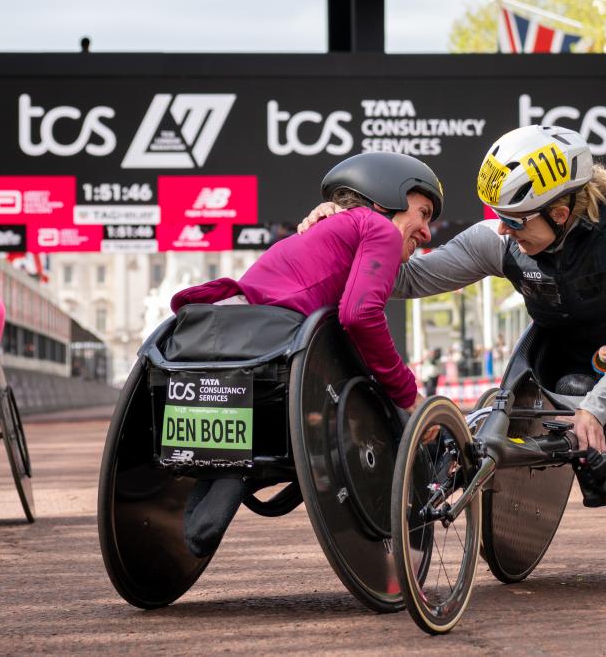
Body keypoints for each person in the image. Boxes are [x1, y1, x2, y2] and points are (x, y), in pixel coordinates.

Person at [301, 124, 606, 458]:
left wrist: (596, 407)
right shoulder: (498, 242)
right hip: (561, 386)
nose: (502, 229)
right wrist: (340, 232)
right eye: (497, 215)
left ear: (559, 215)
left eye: (513, 220)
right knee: (567, 388)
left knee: (582, 389)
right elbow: (405, 278)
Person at [170, 151, 444, 555]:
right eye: (423, 213)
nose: (427, 232)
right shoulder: (379, 229)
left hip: (220, 339)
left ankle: (227, 475)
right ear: (387, 198)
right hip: (273, 351)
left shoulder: (329, 228)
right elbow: (360, 316)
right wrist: (408, 394)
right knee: (391, 404)